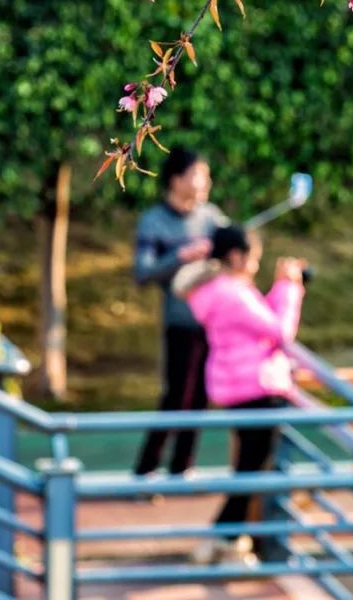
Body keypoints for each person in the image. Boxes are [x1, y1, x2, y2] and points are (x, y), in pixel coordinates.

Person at [173, 225, 306, 564]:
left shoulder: (218, 291)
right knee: (251, 468)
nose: (256, 265)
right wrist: (289, 287)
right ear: (236, 256)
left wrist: (281, 287)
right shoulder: (232, 292)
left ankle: (226, 537)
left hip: (237, 385)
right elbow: (280, 330)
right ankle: (224, 537)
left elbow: (262, 324)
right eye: (254, 258)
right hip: (256, 386)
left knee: (249, 465)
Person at [132, 148, 227, 478]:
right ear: (176, 180)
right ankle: (146, 470)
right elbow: (143, 273)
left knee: (200, 397)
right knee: (176, 396)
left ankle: (182, 468)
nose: (206, 182)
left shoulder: (211, 217)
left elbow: (232, 249)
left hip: (211, 322)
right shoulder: (153, 221)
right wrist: (181, 256)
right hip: (180, 322)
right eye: (199, 175)